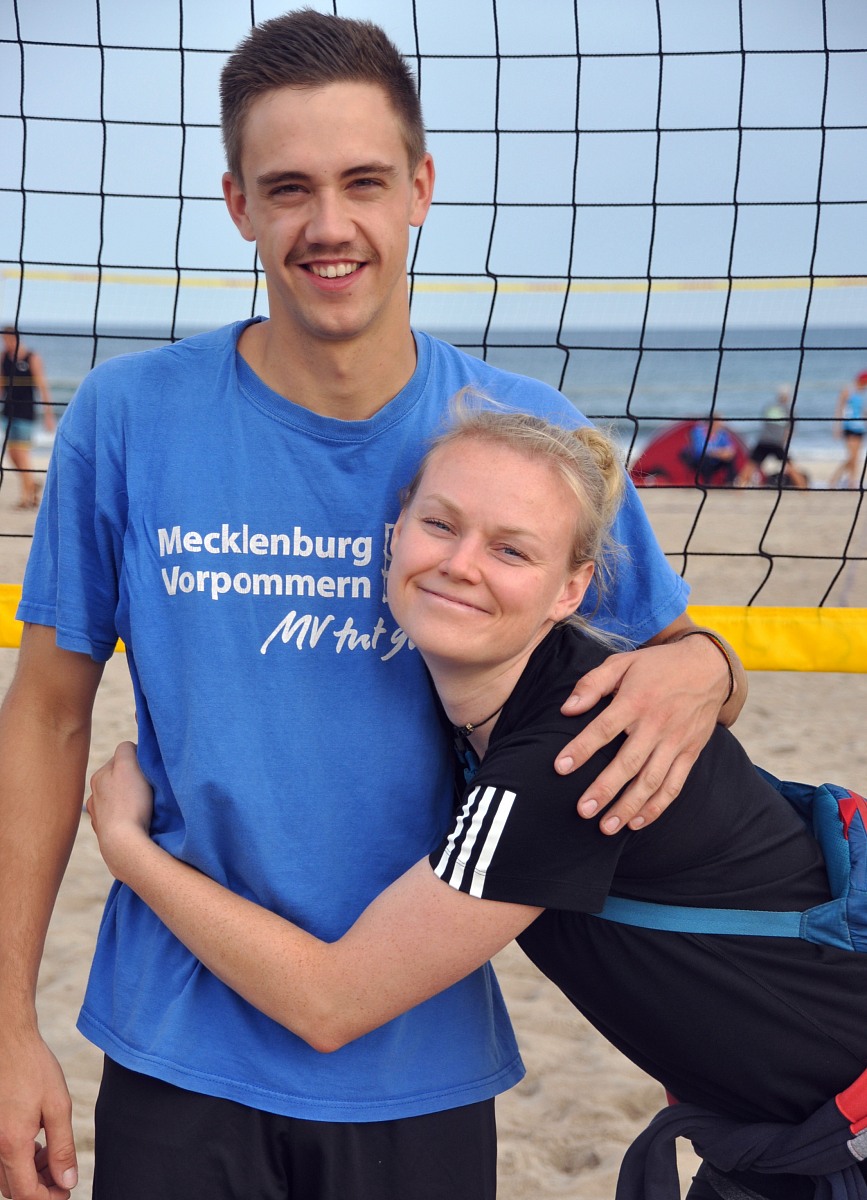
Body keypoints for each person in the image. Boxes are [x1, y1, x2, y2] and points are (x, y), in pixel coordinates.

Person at [0, 11, 746, 1200]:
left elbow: (676, 662)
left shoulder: (526, 439)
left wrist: (707, 667)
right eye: (288, 188)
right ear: (239, 204)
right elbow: (45, 714)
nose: (329, 224)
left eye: (363, 181)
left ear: (420, 190)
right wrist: (6, 1027)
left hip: (418, 1052)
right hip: (175, 1040)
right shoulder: (129, 415)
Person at [87, 404, 867, 1200]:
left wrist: (128, 848)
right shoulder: (509, 702)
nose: (460, 564)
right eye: (440, 525)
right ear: (394, 536)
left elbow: (330, 1001)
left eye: (509, 549)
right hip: (780, 1134)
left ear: (570, 590)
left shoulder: (568, 753)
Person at [1, 327, 56, 509]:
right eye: (3, 340)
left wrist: (48, 414)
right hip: (8, 412)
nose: (5, 343)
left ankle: (26, 497)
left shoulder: (32, 357)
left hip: (26, 412)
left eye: (7, 340)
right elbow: (1, 386)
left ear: (15, 338)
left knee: (22, 454)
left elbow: (42, 386)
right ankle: (31, 484)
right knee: (12, 454)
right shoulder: (3, 357)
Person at [734, 386, 809, 489]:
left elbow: (764, 424)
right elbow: (790, 430)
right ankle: (803, 488)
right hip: (776, 442)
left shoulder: (769, 407)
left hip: (764, 440)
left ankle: (740, 488)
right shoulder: (789, 410)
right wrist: (784, 441)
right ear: (787, 397)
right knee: (790, 466)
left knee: (750, 466)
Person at [829, 371, 867, 490]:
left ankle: (852, 481)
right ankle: (835, 478)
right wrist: (837, 426)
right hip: (849, 427)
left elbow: (862, 411)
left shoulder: (861, 394)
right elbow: (839, 409)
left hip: (860, 427)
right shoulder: (848, 391)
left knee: (856, 457)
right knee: (852, 457)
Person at [681, 417, 738, 486]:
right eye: (718, 423)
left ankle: (730, 482)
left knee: (730, 457)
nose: (720, 425)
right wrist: (717, 453)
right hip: (699, 461)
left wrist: (725, 453)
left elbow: (731, 448)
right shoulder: (698, 431)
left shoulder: (722, 434)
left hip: (717, 460)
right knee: (706, 458)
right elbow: (699, 449)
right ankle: (707, 483)